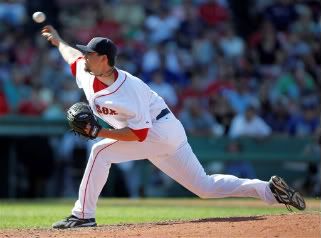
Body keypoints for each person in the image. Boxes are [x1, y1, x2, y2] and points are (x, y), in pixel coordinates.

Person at [41, 25, 306, 229]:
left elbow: (140, 135)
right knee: (205, 187)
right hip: (167, 132)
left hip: (157, 131)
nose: (85, 56)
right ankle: (268, 190)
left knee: (100, 151)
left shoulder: (128, 90)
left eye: (90, 53)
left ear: (104, 59)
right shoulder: (89, 75)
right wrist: (58, 42)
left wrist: (100, 132)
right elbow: (72, 57)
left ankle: (83, 216)